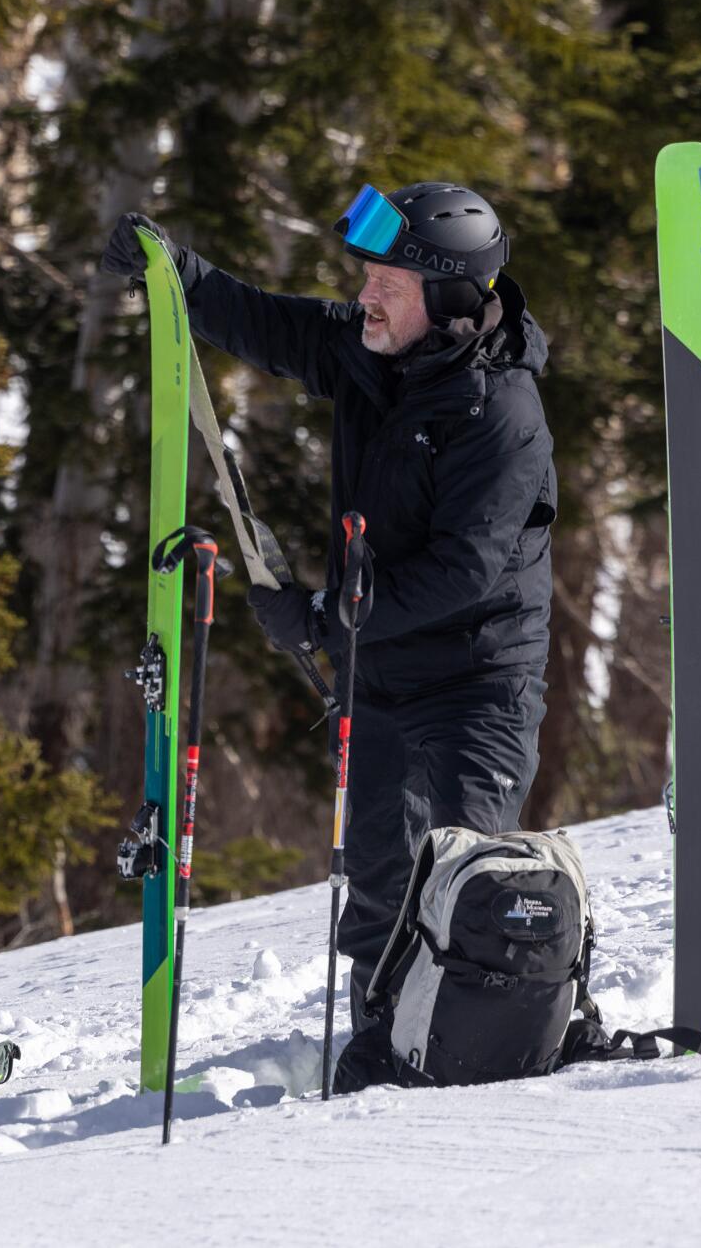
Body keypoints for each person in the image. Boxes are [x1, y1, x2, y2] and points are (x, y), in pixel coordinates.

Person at [101, 183, 556, 1084]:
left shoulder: (501, 414)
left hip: (479, 679)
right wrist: (174, 272)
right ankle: (384, 1048)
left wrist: (322, 617)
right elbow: (265, 322)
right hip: (382, 666)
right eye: (369, 274)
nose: (368, 295)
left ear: (452, 300)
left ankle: (474, 1067)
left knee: (464, 877)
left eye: (391, 279)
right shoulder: (367, 349)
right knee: (383, 878)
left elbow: (463, 571)